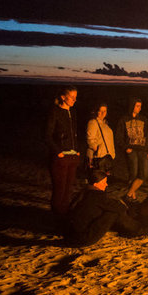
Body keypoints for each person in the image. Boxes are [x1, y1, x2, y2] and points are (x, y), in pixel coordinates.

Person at [64, 169, 138, 246]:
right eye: (104, 182)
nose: (106, 185)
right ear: (96, 184)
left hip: (72, 234)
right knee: (113, 212)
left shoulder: (83, 192)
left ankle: (133, 228)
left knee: (108, 209)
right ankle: (137, 229)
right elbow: (120, 208)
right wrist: (121, 203)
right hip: (84, 238)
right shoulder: (97, 196)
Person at [45, 86, 82, 217]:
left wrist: (77, 151)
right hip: (60, 157)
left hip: (72, 157)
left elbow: (74, 134)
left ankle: (64, 216)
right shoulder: (54, 112)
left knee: (68, 189)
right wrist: (58, 152)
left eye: (75, 97)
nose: (74, 100)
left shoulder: (72, 113)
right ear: (63, 97)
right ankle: (56, 216)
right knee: (59, 190)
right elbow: (47, 136)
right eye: (72, 97)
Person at [117, 98, 148, 201]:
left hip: (142, 149)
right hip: (131, 149)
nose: (139, 108)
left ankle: (129, 192)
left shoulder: (144, 119)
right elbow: (119, 136)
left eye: (140, 106)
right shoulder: (124, 120)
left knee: (144, 174)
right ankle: (132, 194)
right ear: (132, 106)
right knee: (133, 172)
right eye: (137, 106)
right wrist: (125, 147)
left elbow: (147, 136)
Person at [85, 103, 115, 176]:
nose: (103, 113)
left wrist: (112, 153)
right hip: (99, 156)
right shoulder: (93, 122)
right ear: (96, 111)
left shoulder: (105, 124)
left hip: (107, 155)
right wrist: (95, 148)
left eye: (104, 111)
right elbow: (90, 138)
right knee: (98, 178)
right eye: (100, 111)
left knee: (103, 179)